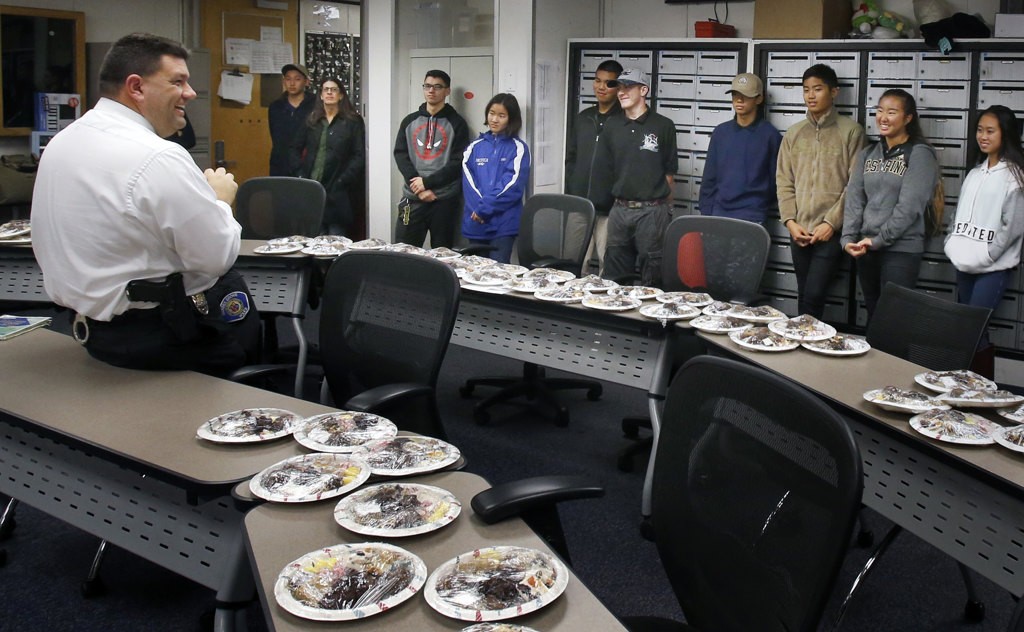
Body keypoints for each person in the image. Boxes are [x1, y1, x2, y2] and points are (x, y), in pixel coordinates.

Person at [31, 32, 259, 376]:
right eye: (178, 81)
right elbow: (215, 259)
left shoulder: (62, 144)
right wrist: (220, 202)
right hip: (160, 343)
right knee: (243, 331)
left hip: (90, 333)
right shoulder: (159, 157)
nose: (191, 93)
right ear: (136, 87)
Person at [842, 88, 939, 322]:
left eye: (892, 112)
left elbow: (910, 207)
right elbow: (855, 199)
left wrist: (879, 239)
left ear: (908, 118)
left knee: (894, 320)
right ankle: (874, 360)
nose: (883, 117)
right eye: (880, 110)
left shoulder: (920, 154)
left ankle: (895, 360)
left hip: (901, 250)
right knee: (875, 315)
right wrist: (847, 239)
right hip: (866, 248)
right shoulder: (868, 154)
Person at [777, 63, 865, 319]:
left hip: (830, 232)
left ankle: (806, 347)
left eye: (818, 89)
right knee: (804, 293)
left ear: (834, 92)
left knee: (814, 295)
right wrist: (790, 221)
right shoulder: (794, 133)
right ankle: (803, 347)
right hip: (799, 230)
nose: (811, 95)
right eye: (806, 90)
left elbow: (856, 184)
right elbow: (783, 180)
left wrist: (831, 223)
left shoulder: (851, 131)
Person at [944, 105, 1024, 371]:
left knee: (972, 327)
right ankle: (972, 389)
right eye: (980, 130)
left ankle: (984, 391)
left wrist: (990, 253)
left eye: (991, 131)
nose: (983, 136)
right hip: (964, 262)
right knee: (967, 328)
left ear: (1006, 134)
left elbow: (1012, 226)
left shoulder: (1015, 177)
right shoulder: (975, 172)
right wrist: (951, 242)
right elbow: (958, 213)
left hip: (993, 268)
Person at [600, 68, 678, 286]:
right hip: (619, 210)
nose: (621, 92)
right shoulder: (612, 126)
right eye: (619, 88)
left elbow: (669, 175)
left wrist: (667, 211)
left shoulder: (663, 126)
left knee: (652, 276)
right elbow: (607, 171)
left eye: (628, 87)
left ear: (644, 90)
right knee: (614, 277)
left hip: (652, 211)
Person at [394, 70, 470, 248]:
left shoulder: (457, 124)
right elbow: (401, 155)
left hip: (443, 199)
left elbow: (457, 161)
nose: (431, 91)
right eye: (427, 86)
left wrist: (427, 183)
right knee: (403, 251)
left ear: (447, 91)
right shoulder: (409, 121)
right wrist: (419, 188)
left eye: (437, 87)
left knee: (442, 254)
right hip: (412, 199)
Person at [699, 72, 782, 225]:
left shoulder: (770, 136)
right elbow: (709, 178)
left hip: (753, 216)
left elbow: (775, 181)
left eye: (746, 95)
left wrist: (759, 207)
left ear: (759, 98)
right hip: (718, 213)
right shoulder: (721, 132)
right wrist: (707, 212)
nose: (739, 99)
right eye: (735, 94)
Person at [565, 59, 623, 274]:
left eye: (609, 83)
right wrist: (572, 190)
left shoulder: (624, 122)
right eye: (597, 81)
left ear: (619, 87)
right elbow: (571, 157)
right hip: (580, 205)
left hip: (611, 209)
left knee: (608, 268)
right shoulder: (583, 118)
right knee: (575, 264)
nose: (601, 87)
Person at [461, 93, 531, 264]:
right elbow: (469, 185)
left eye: (501, 115)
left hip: (503, 225)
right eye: (492, 113)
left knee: (498, 276)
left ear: (511, 119)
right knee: (475, 275)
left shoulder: (519, 148)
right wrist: (478, 210)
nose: (494, 119)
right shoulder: (474, 147)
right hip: (475, 222)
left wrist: (484, 209)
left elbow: (512, 186)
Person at [294, 77, 365, 236]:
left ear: (341, 95)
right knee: (314, 239)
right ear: (320, 95)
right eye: (326, 89)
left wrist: (343, 180)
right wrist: (300, 173)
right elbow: (294, 148)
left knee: (336, 239)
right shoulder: (312, 119)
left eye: (334, 90)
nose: (329, 93)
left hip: (339, 191)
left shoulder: (352, 121)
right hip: (312, 188)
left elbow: (358, 156)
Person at [268, 63, 314, 177]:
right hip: (280, 165)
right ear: (284, 81)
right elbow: (275, 137)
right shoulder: (276, 107)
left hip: (307, 165)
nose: (292, 83)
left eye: (297, 79)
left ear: (306, 82)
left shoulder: (316, 105)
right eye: (288, 79)